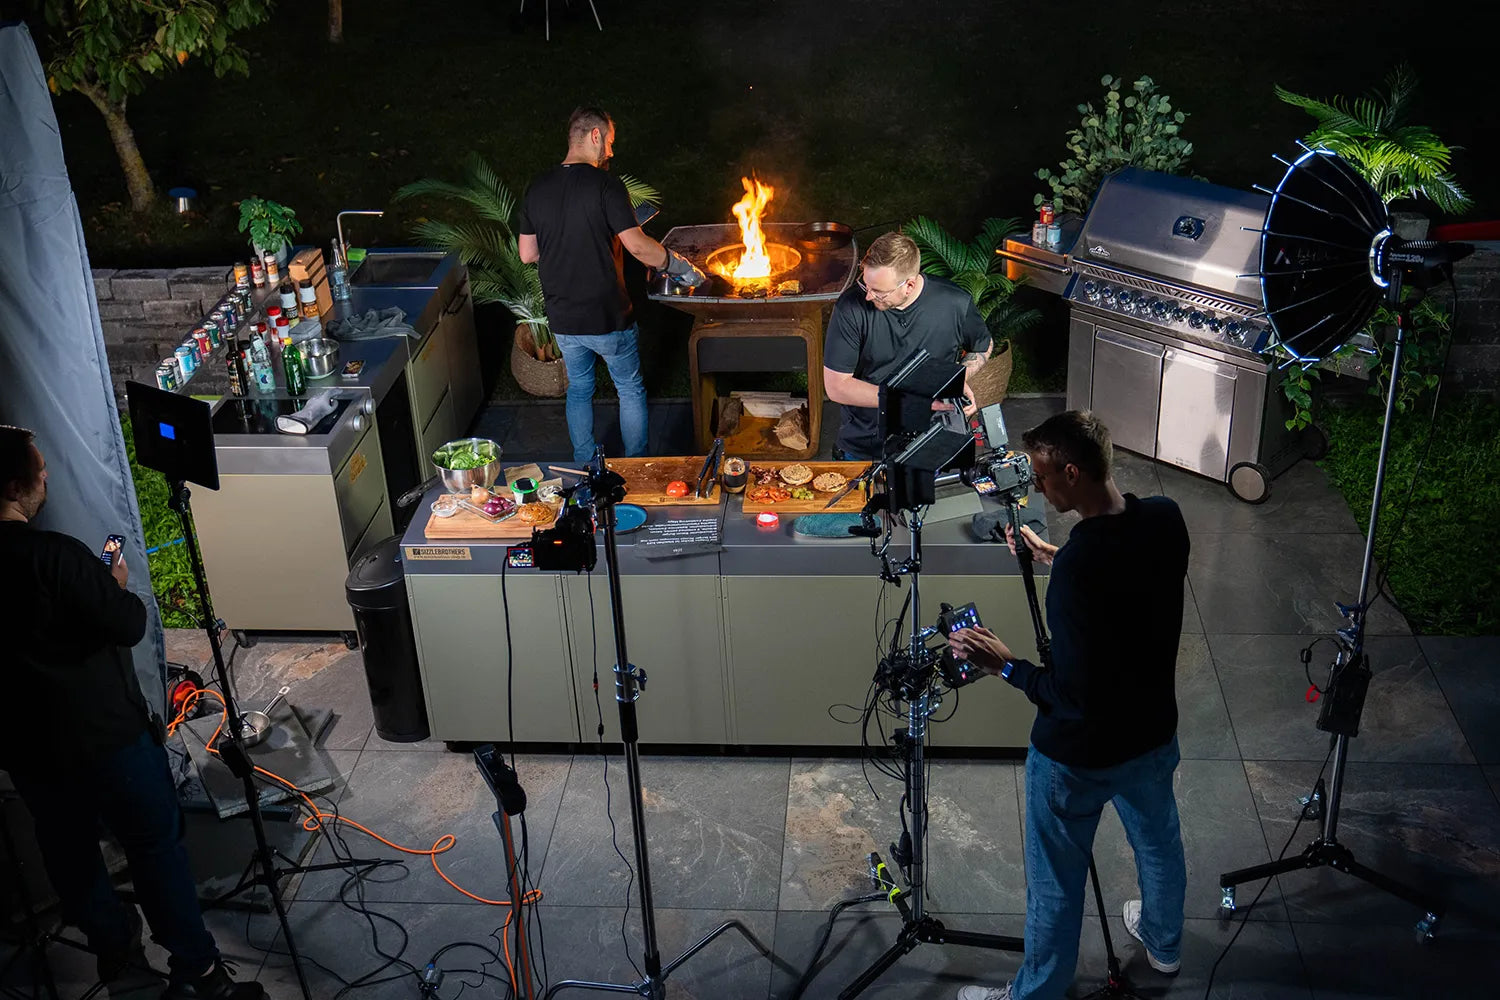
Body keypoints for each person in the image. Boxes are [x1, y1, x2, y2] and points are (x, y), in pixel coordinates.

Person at [0, 426, 264, 1000]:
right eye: (39, 470)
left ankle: (117, 954)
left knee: (70, 854)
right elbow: (127, 624)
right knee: (154, 847)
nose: (47, 476)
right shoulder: (56, 557)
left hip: (29, 751)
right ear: (16, 487)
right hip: (108, 740)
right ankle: (198, 971)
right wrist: (115, 585)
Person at [947, 410, 1190, 1000]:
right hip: (1152, 734)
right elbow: (1129, 582)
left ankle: (1037, 993)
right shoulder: (1165, 518)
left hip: (1079, 755)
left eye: (1041, 476)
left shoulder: (1080, 571)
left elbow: (1071, 695)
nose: (1036, 486)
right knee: (1159, 841)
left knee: (1055, 881)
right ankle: (1164, 944)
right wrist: (1056, 555)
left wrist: (1004, 664)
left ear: (1073, 473)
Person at [518, 106, 703, 463]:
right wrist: (680, 266)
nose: (611, 152)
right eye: (610, 142)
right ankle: (634, 465)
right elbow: (638, 247)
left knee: (579, 389)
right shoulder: (606, 186)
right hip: (607, 315)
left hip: (564, 317)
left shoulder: (537, 187)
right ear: (595, 136)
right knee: (629, 389)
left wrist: (566, 245)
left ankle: (586, 466)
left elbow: (528, 254)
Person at [822, 231, 991, 460]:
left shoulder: (955, 302)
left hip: (933, 439)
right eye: (865, 284)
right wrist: (909, 400)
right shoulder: (850, 307)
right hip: (866, 444)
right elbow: (836, 387)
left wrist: (957, 378)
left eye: (878, 291)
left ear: (909, 285)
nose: (869, 296)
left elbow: (982, 345)